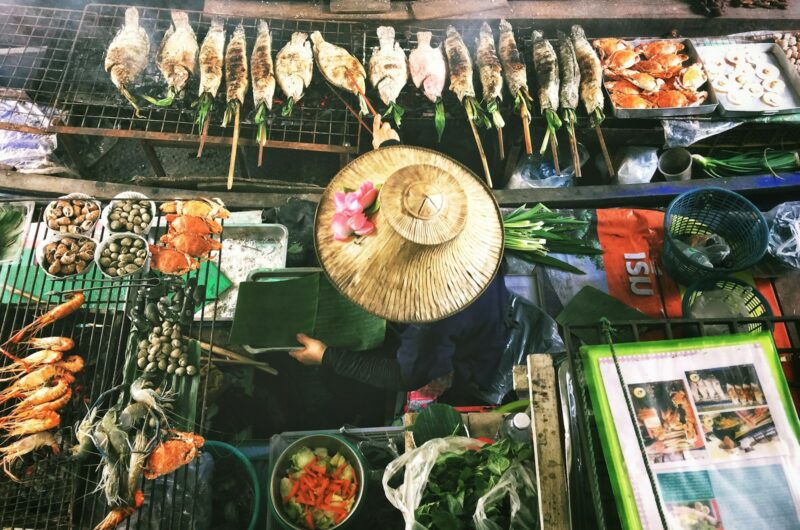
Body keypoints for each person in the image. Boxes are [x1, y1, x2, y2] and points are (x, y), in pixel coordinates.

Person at [289, 116, 510, 405]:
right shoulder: (454, 207)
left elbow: (405, 375)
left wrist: (327, 357)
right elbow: (420, 200)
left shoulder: (429, 316)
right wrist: (390, 148)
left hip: (473, 351)